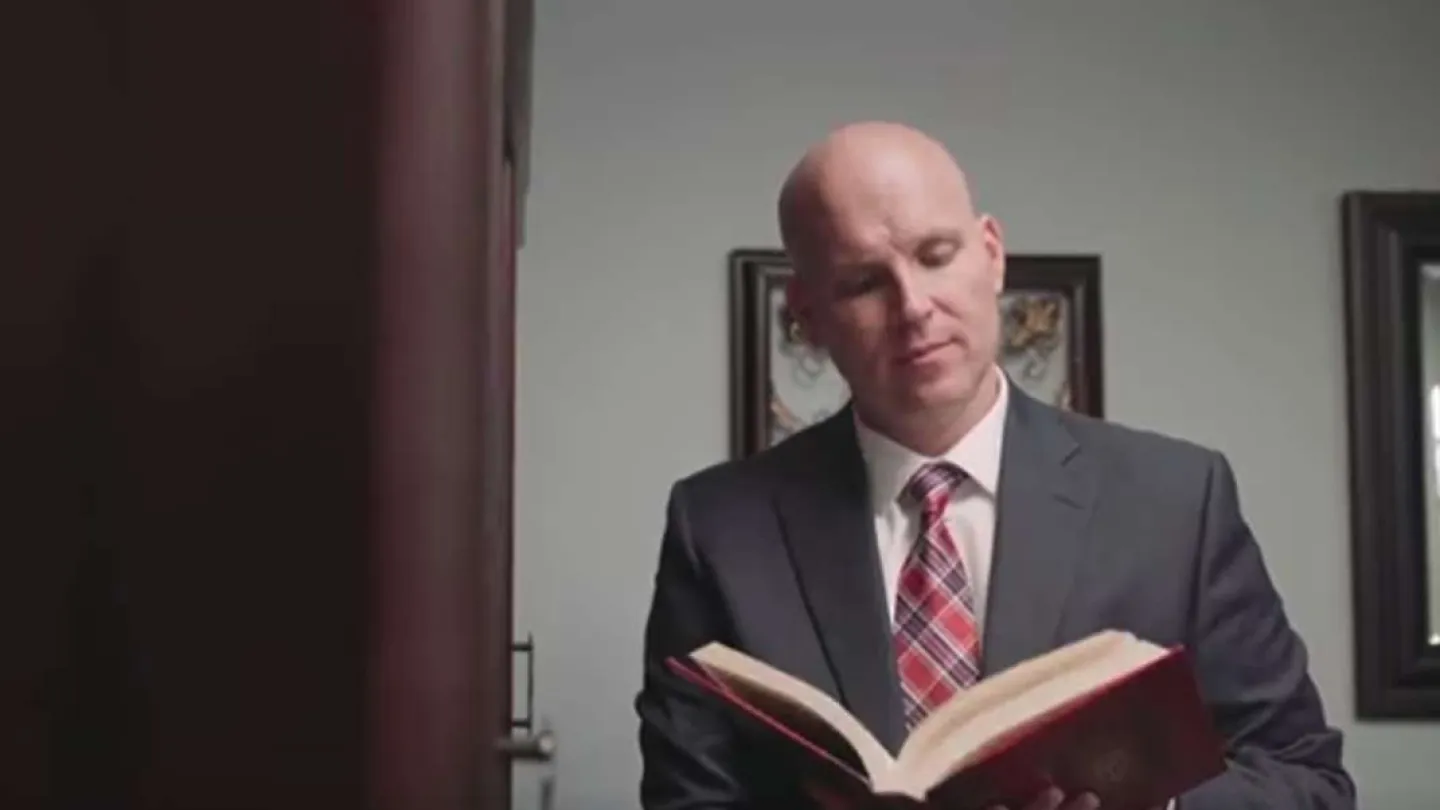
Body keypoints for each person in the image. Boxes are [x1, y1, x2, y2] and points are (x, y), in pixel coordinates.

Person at [634, 121, 1356, 810]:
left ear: (992, 254)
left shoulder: (1177, 501)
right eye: (863, 283)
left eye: (935, 255)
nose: (914, 306)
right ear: (808, 314)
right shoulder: (718, 531)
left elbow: (1309, 784)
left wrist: (1150, 803)